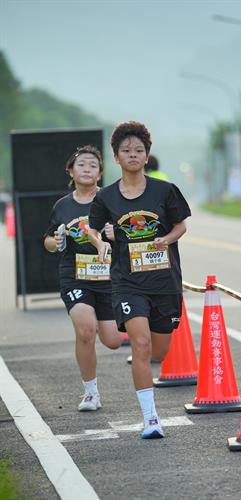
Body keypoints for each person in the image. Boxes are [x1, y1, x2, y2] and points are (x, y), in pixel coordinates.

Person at [89, 121, 191, 439]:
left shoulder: (165, 190)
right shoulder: (106, 197)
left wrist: (166, 239)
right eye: (126, 150)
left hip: (164, 281)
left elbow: (181, 226)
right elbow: (92, 228)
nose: (133, 154)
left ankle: (151, 374)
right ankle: (150, 419)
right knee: (141, 344)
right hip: (127, 281)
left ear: (147, 156)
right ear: (116, 158)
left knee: (159, 350)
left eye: (139, 150)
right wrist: (101, 243)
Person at [44, 145, 124, 412]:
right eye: (82, 164)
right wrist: (55, 242)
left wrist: (115, 233)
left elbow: (131, 234)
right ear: (70, 170)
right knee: (86, 329)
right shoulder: (62, 205)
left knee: (113, 340)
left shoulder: (111, 199)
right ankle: (91, 392)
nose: (87, 169)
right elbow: (47, 240)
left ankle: (105, 328)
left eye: (93, 165)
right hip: (74, 276)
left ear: (100, 173)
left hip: (108, 277)